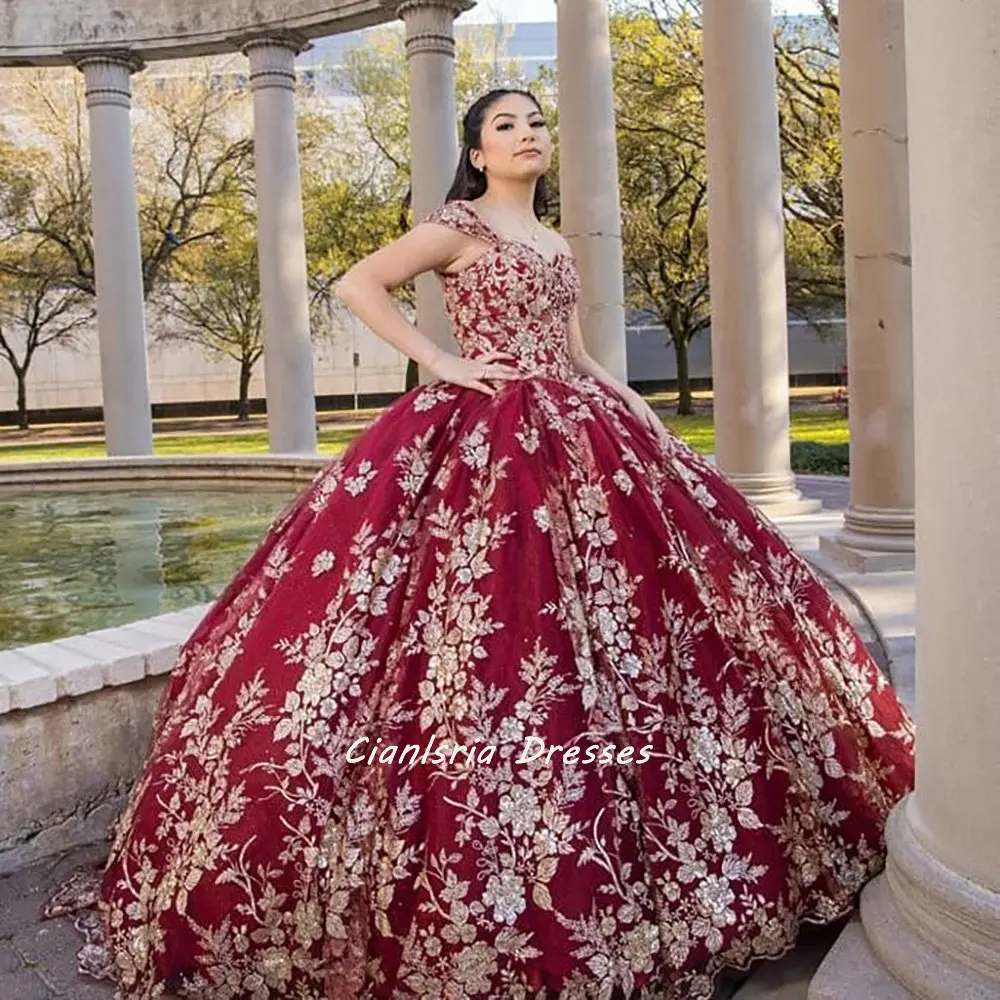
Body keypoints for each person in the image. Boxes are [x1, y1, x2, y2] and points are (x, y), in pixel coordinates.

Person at [61, 89, 914, 999]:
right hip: (487, 435)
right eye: (506, 124)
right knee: (491, 623)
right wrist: (442, 362)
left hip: (583, 432)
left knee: (660, 622)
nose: (529, 133)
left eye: (538, 121)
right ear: (476, 148)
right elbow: (357, 282)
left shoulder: (555, 243)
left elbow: (574, 350)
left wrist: (623, 399)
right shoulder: (456, 223)